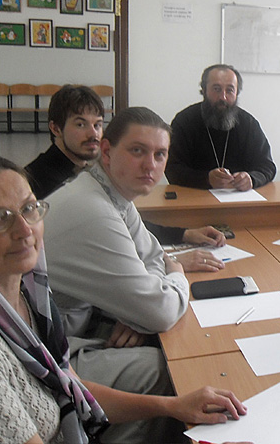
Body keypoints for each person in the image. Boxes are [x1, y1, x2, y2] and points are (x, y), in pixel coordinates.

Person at [0, 155, 247, 443]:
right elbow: (157, 304)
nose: (25, 230)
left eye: (28, 208)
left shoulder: (29, 291)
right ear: (108, 152)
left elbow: (72, 387)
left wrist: (173, 406)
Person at [42, 107, 221, 443]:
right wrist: (177, 277)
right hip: (49, 357)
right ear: (107, 152)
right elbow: (161, 309)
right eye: (138, 151)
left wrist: (137, 311)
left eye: (160, 154)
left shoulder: (111, 193)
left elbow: (152, 256)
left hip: (75, 328)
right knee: (164, 367)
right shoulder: (92, 209)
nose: (150, 165)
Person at [25, 85, 227, 272]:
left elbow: (123, 223)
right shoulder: (39, 182)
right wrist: (174, 262)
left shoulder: (87, 171)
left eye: (97, 125)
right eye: (81, 124)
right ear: (55, 128)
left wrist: (183, 234)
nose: (93, 134)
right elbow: (110, 233)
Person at [165, 63, 276, 190]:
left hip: (239, 198)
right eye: (217, 89)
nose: (223, 97)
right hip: (195, 196)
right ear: (204, 90)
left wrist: (252, 178)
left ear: (237, 93)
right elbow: (171, 168)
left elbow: (267, 166)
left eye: (229, 90)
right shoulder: (184, 121)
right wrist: (206, 179)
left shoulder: (248, 123)